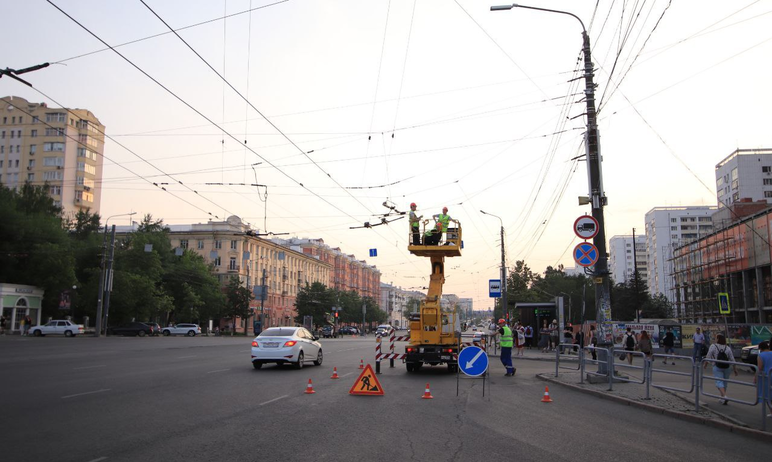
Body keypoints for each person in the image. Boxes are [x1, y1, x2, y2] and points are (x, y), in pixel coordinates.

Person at [703, 334, 738, 405]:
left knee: (719, 381)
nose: (715, 339)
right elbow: (732, 359)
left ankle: (724, 396)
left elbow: (708, 356)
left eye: (716, 338)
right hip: (727, 367)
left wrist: (705, 364)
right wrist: (735, 369)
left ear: (718, 339)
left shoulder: (713, 346)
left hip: (717, 366)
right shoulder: (727, 347)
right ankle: (722, 398)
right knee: (725, 382)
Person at [754, 341, 772, 415]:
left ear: (760, 348)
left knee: (767, 395)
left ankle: (771, 411)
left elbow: (760, 368)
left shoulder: (761, 355)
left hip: (766, 377)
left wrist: (755, 377)